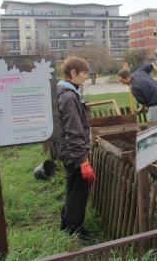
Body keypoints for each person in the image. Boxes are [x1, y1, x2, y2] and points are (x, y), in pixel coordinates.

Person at [55, 57, 96, 239]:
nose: (85, 79)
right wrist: (83, 160)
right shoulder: (69, 96)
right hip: (73, 152)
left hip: (69, 150)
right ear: (73, 73)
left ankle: (66, 221)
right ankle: (75, 230)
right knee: (78, 192)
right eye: (83, 75)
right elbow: (74, 130)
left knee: (72, 188)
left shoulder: (67, 92)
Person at [117, 62, 157, 127]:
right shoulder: (139, 72)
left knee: (153, 128)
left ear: (127, 77)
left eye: (122, 81)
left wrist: (141, 109)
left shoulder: (134, 88)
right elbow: (152, 64)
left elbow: (145, 102)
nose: (123, 83)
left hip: (156, 104)